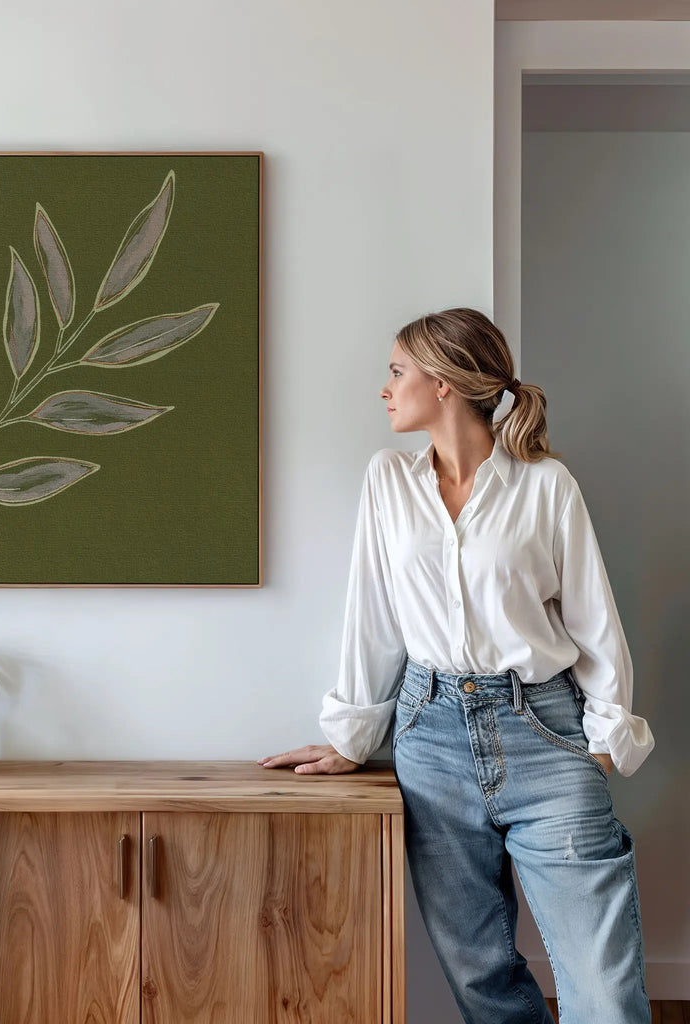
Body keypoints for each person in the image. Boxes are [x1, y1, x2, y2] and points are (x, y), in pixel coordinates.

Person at [259, 308, 654, 1024]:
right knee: (481, 979)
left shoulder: (545, 486)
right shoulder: (388, 482)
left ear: (443, 384)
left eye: (396, 371)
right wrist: (353, 737)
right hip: (430, 736)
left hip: (545, 729)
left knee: (603, 986)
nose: (385, 388)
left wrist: (602, 740)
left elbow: (595, 621)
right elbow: (371, 616)